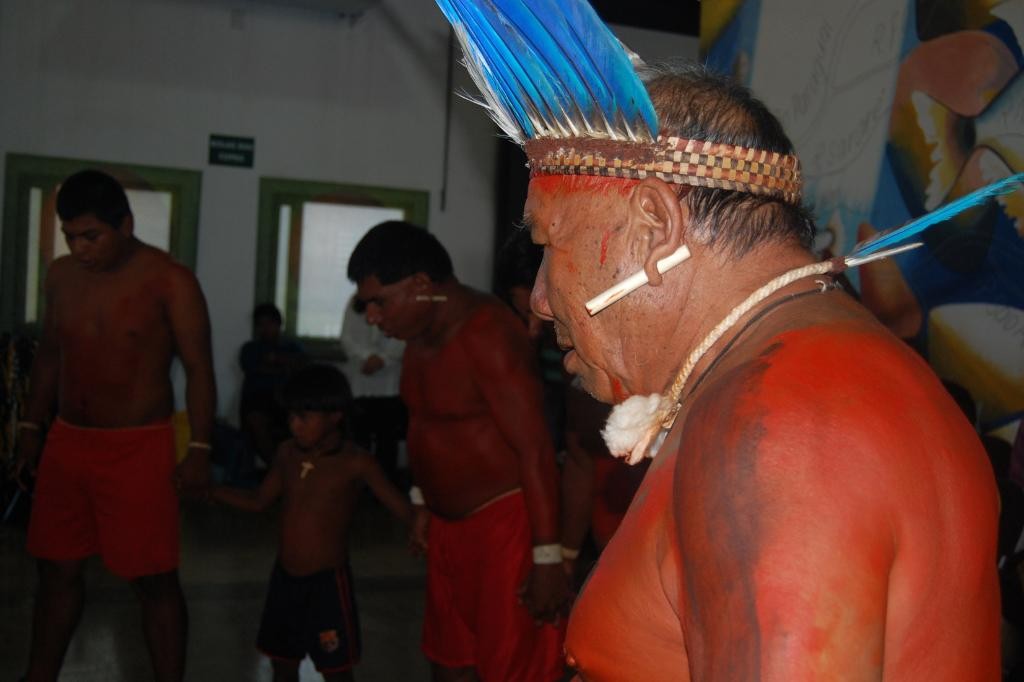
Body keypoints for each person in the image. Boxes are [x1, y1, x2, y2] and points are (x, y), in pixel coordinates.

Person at [434, 3, 1001, 678]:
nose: (538, 299)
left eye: (548, 246)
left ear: (654, 225)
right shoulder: (811, 380)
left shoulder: (780, 428)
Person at [11, 169, 216, 682]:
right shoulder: (61, 275)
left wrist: (200, 448)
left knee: (153, 579)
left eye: (91, 236)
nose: (79, 248)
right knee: (55, 569)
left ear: (125, 225)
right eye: (70, 236)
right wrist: (31, 427)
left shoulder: (171, 281)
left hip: (138, 447)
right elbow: (51, 354)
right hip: (68, 442)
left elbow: (199, 369)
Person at [347, 220, 566, 682]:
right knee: (448, 663)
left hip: (504, 529)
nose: (372, 318)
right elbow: (423, 424)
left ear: (421, 285)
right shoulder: (418, 337)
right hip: (446, 530)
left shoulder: (488, 334)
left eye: (379, 302)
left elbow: (536, 450)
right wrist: (422, 502)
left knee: (511, 671)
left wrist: (548, 558)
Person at [212, 363, 412, 682]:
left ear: (335, 416)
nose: (294, 425)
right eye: (290, 416)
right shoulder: (286, 454)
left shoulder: (356, 462)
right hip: (284, 581)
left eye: (303, 417)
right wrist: (210, 490)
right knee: (282, 664)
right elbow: (259, 500)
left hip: (327, 586)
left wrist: (427, 527)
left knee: (336, 670)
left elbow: (401, 508)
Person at [339, 295, 407, 487]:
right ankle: (358, 487)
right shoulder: (355, 301)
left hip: (390, 386)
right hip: (359, 384)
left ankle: (384, 489)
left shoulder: (398, 297)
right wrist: (366, 357)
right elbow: (346, 338)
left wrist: (383, 359)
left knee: (387, 442)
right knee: (359, 441)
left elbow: (405, 335)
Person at [240, 303, 305, 465]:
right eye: (261, 325)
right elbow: (254, 368)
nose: (265, 329)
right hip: (258, 402)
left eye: (269, 323)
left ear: (279, 324)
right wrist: (283, 365)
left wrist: (276, 360)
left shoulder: (292, 347)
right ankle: (276, 467)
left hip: (287, 402)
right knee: (256, 420)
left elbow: (302, 365)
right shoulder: (250, 349)